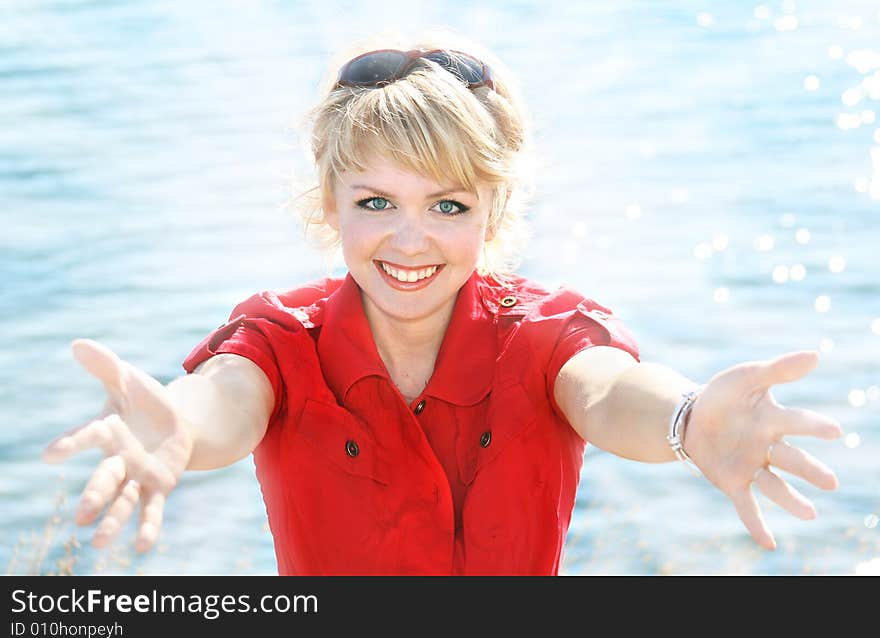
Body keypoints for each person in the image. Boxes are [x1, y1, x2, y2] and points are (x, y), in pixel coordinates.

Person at [42, 31, 843, 575]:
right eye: (376, 203)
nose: (410, 241)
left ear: (493, 211)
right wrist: (178, 429)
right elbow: (227, 398)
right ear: (331, 203)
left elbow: (604, 390)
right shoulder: (281, 338)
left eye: (448, 206)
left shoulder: (544, 333)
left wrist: (690, 419)